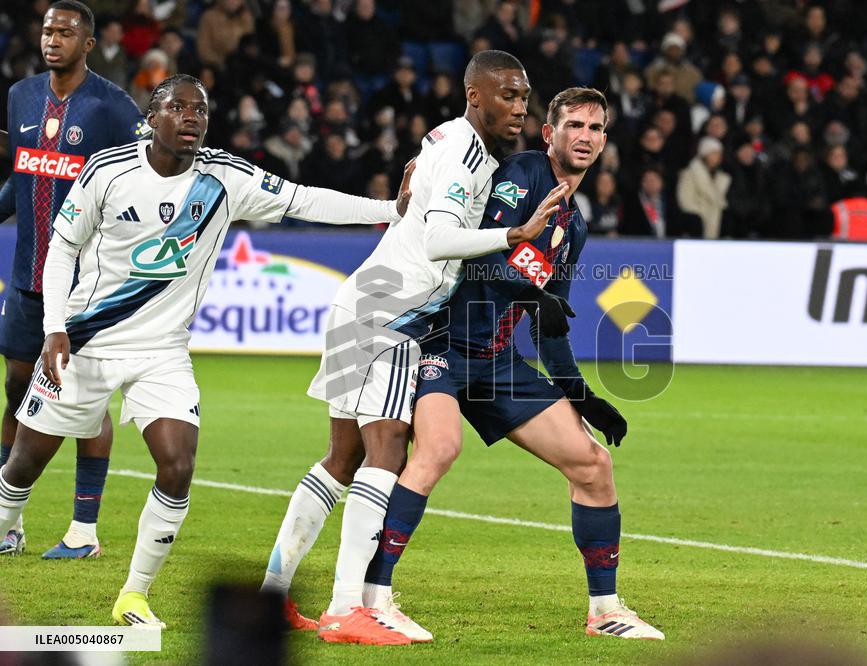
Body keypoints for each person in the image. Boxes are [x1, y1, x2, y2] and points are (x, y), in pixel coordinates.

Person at [0, 73, 413, 629]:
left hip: (162, 351)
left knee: (178, 464)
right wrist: (54, 327)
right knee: (24, 461)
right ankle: (8, 521)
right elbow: (61, 249)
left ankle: (134, 596)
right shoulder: (108, 171)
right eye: (178, 107)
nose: (192, 116)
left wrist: (389, 209)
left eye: (201, 109)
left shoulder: (225, 177)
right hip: (84, 341)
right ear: (152, 116)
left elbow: (302, 199)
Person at [261, 50, 568, 645]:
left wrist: (418, 166)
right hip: (388, 317)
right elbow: (435, 241)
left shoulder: (449, 139)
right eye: (507, 95)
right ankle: (349, 607)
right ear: (475, 95)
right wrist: (517, 234)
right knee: (386, 453)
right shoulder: (465, 151)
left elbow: (426, 165)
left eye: (525, 97)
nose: (520, 108)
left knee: (341, 457)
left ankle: (272, 596)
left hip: (363, 301)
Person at [362, 86, 664, 641]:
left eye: (596, 129)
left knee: (593, 465)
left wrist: (581, 395)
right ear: (550, 134)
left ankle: (605, 610)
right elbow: (480, 254)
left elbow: (551, 325)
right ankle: (373, 600)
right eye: (574, 125)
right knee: (436, 451)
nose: (586, 137)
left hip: (499, 363)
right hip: (442, 346)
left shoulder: (573, 225)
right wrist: (531, 292)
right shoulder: (523, 175)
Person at [0, 0, 147, 559]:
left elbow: (140, 180)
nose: (52, 39)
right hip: (25, 277)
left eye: (65, 32)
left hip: (86, 284)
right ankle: (6, 522)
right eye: (46, 30)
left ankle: (83, 530)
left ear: (88, 43)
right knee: (16, 388)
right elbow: (22, 175)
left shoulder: (113, 107)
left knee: (84, 404)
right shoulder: (20, 97)